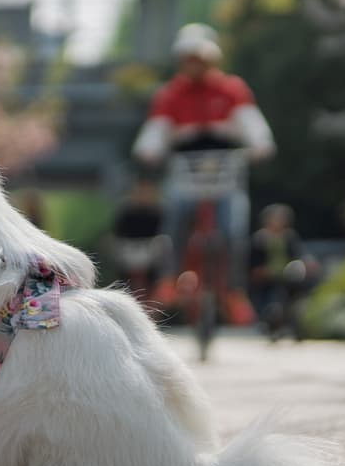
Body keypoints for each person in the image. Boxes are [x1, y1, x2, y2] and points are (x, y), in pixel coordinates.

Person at [130, 23, 274, 281]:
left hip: (225, 173)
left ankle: (233, 287)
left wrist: (260, 144)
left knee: (234, 229)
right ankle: (170, 278)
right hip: (186, 173)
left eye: (198, 59)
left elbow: (251, 124)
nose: (193, 65)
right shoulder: (170, 95)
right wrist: (148, 150)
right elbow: (156, 131)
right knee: (174, 221)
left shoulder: (231, 89)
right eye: (188, 60)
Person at [248, 204, 313, 341]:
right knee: (271, 301)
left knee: (296, 298)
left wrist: (307, 264)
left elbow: (298, 255)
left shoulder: (289, 237)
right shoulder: (259, 239)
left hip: (287, 276)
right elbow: (251, 263)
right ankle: (271, 324)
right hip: (267, 279)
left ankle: (295, 326)